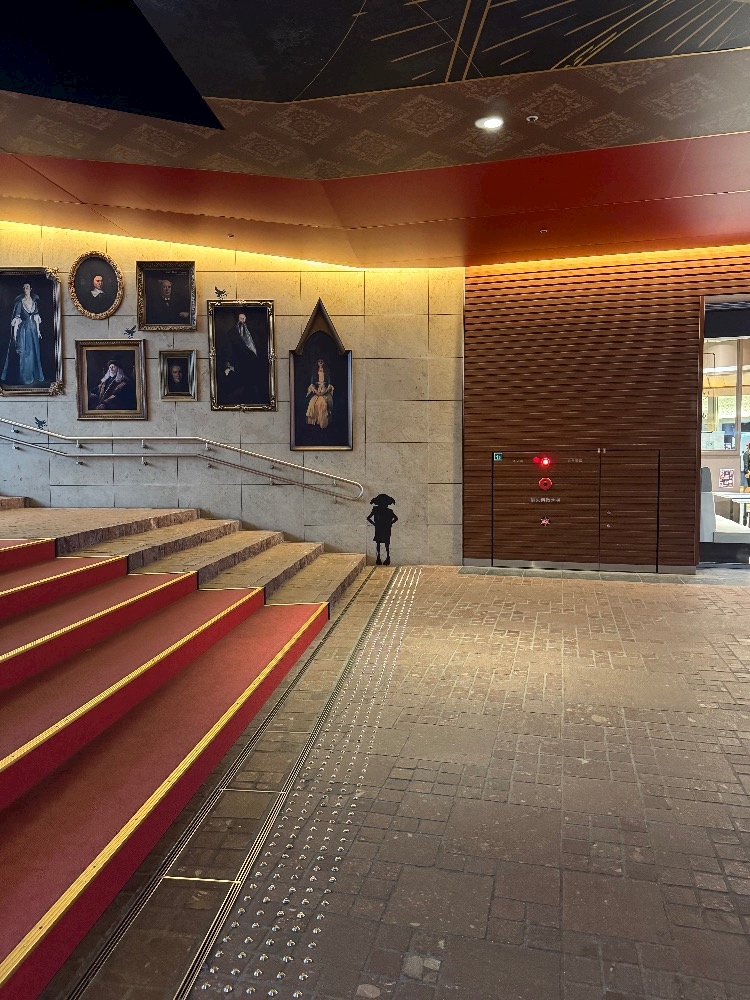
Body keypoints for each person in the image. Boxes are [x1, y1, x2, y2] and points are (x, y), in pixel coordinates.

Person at [220, 311, 268, 405]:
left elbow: (256, 345)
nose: (243, 320)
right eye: (241, 318)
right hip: (240, 363)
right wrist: (229, 365)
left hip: (254, 362)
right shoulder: (231, 333)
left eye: (244, 318)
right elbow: (228, 350)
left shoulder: (252, 330)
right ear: (237, 319)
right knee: (245, 387)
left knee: (254, 386)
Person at [2, 282, 44, 386]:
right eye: (24, 288)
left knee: (33, 352)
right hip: (23, 331)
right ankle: (25, 378)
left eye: (27, 287)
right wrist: (14, 335)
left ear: (30, 289)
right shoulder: (20, 303)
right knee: (25, 354)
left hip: (33, 330)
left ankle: (34, 375)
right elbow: (16, 320)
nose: (25, 289)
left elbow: (36, 318)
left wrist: (38, 331)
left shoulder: (34, 302)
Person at [367, 493, 398, 566]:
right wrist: (390, 523)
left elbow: (369, 518)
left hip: (380, 527)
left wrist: (375, 524)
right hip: (384, 528)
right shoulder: (387, 511)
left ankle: (380, 558)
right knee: (385, 543)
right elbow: (396, 518)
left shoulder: (377, 510)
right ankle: (384, 557)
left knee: (380, 543)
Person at [305, 357, 334, 429]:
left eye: (322, 361)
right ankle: (316, 422)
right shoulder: (314, 373)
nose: (320, 363)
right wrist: (317, 392)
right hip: (317, 391)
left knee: (324, 404)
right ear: (317, 363)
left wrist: (324, 392)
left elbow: (330, 384)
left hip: (325, 391)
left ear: (324, 363)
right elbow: (312, 384)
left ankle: (323, 422)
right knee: (313, 403)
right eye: (319, 361)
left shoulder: (327, 373)